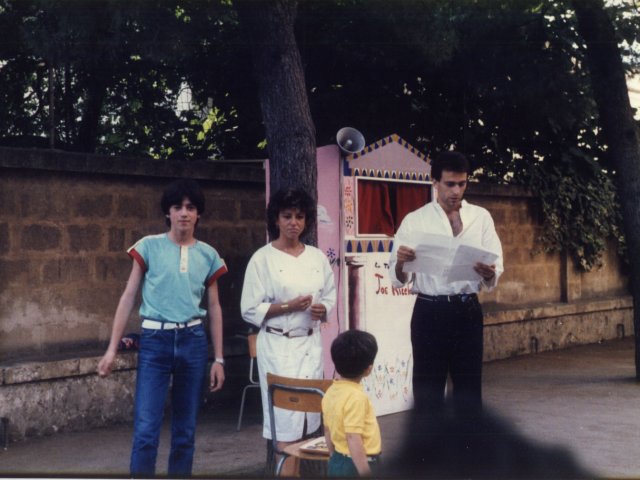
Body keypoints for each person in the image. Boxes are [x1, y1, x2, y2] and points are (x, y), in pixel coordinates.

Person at [97, 179, 227, 478]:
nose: (184, 213)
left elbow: (215, 307)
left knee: (185, 432)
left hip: (193, 342)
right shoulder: (148, 246)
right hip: (155, 341)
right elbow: (128, 295)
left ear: (198, 215)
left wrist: (218, 359)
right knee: (145, 430)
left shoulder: (209, 255)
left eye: (191, 207)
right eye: (177, 207)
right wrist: (111, 349)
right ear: (167, 213)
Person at [389, 151, 503, 414]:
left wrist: (488, 272)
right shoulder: (415, 220)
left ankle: (466, 452)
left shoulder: (481, 217)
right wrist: (400, 261)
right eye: (450, 184)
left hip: (467, 309)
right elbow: (397, 277)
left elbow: (496, 264)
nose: (456, 191)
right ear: (435, 182)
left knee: (469, 388)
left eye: (462, 184)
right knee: (428, 390)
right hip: (430, 310)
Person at [240, 188, 336, 475]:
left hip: (309, 346)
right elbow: (248, 308)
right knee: (285, 424)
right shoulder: (262, 258)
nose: (294, 222)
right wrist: (287, 307)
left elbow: (330, 295)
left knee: (310, 423)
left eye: (299, 216)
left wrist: (323, 310)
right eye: (287, 216)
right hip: (279, 347)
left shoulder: (317, 258)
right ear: (276, 220)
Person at [322, 330, 381, 478]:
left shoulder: (330, 392)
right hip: (358, 465)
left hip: (338, 460)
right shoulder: (357, 397)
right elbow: (353, 437)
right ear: (368, 369)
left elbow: (327, 430)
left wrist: (333, 457)